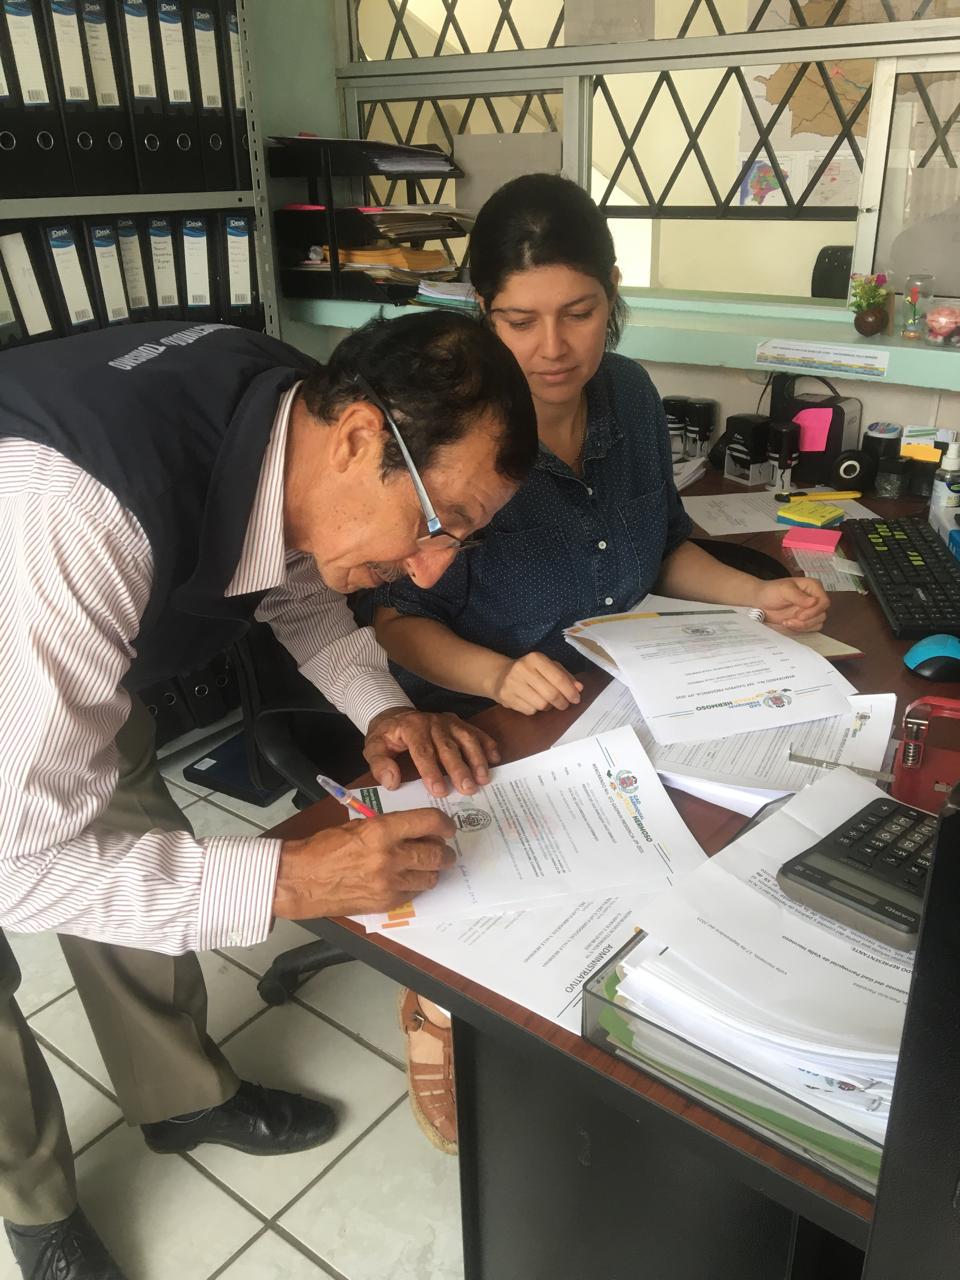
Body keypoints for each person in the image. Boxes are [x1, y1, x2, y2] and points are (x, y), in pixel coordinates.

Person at [0, 310, 537, 1280]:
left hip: (65, 662)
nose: (430, 568)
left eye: (460, 540)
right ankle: (35, 1206)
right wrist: (289, 879)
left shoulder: (298, 411)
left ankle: (179, 1097)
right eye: (436, 523)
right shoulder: (75, 516)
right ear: (362, 438)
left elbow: (293, 575)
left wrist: (382, 708)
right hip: (26, 612)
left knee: (137, 864)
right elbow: (20, 867)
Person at [372, 173, 831, 1152]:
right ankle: (436, 1004)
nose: (552, 347)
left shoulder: (627, 392)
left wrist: (754, 594)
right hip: (479, 723)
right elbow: (393, 619)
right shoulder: (452, 431)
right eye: (520, 320)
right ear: (481, 311)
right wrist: (495, 676)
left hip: (612, 695)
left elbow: (660, 547)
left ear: (611, 296)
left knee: (710, 859)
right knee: (510, 910)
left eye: (578, 313)